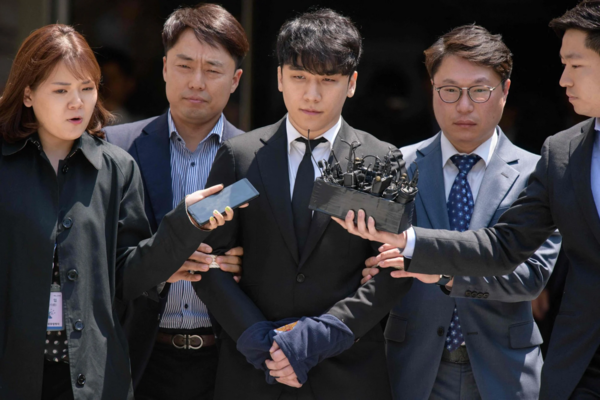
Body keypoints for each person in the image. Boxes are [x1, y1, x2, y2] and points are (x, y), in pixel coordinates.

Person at [335, 1, 600, 399]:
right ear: (431, 91)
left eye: (478, 91)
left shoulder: (541, 167)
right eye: (449, 91)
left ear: (504, 92)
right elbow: (353, 257)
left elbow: (527, 275)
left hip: (504, 373)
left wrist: (438, 270)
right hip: (413, 370)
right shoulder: (395, 164)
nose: (463, 105)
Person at [0, 24, 237, 400]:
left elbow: (127, 276)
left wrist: (185, 222)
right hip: (14, 370)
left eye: (87, 88)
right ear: (27, 94)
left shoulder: (116, 167)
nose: (77, 102)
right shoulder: (6, 166)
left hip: (93, 377)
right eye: (61, 91)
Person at [192, 8, 413, 400]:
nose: (312, 94)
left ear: (351, 83)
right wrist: (262, 341)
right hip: (254, 371)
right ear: (279, 77)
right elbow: (210, 260)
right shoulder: (240, 158)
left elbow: (393, 270)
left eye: (328, 80)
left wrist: (318, 337)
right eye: (299, 78)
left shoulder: (381, 160)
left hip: (347, 371)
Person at [103, 4, 248, 400]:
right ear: (165, 67)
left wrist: (246, 265)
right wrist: (161, 262)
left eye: (213, 70)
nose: (197, 82)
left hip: (226, 365)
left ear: (235, 80)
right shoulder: (117, 148)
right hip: (140, 358)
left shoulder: (256, 158)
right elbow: (95, 260)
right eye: (185, 65)